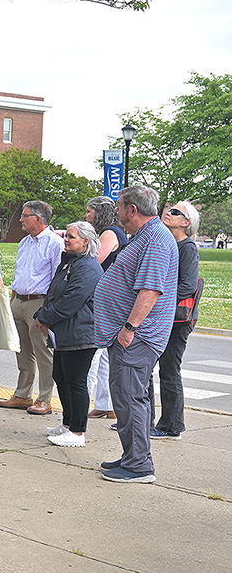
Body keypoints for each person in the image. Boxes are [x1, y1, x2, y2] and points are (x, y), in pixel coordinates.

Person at [93, 184, 178, 484]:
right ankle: (132, 456)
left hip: (138, 337)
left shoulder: (155, 239)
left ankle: (139, 465)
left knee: (130, 398)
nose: (116, 211)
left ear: (132, 210)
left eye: (119, 206)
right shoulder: (145, 236)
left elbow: (151, 290)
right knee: (128, 397)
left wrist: (129, 329)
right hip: (133, 335)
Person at [35, 221, 104, 447]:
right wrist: (42, 313)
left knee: (76, 382)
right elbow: (54, 293)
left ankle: (77, 432)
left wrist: (46, 317)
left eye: (71, 237)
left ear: (85, 242)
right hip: (65, 333)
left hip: (82, 334)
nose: (66, 239)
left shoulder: (88, 267)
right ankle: (67, 423)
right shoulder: (69, 262)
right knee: (61, 377)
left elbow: (71, 301)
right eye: (66, 235)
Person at [0, 200, 63, 416]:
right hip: (19, 300)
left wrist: (49, 310)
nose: (20, 219)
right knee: (22, 351)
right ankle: (23, 395)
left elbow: (58, 279)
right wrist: (13, 299)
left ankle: (45, 399)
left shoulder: (55, 244)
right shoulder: (25, 242)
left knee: (44, 353)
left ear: (38, 219)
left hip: (39, 302)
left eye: (25, 216)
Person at [148, 200, 201, 440]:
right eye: (167, 210)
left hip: (177, 320)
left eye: (175, 212)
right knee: (146, 368)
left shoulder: (187, 248)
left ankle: (171, 426)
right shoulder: (169, 243)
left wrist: (157, 300)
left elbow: (187, 287)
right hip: (164, 316)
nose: (167, 213)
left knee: (169, 371)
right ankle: (143, 421)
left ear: (186, 222)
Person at [84, 196, 127, 420]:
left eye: (89, 212)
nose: (86, 216)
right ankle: (105, 404)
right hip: (113, 300)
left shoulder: (109, 234)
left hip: (105, 301)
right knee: (103, 356)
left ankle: (87, 401)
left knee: (94, 353)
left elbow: (94, 260)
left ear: (99, 214)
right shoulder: (115, 232)